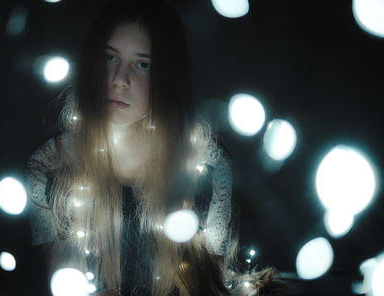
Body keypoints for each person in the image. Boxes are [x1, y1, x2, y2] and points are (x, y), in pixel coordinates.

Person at [26, 0, 286, 295]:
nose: (118, 80)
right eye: (110, 58)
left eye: (142, 64)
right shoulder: (49, 168)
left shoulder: (206, 170)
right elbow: (61, 279)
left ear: (167, 76)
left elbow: (206, 281)